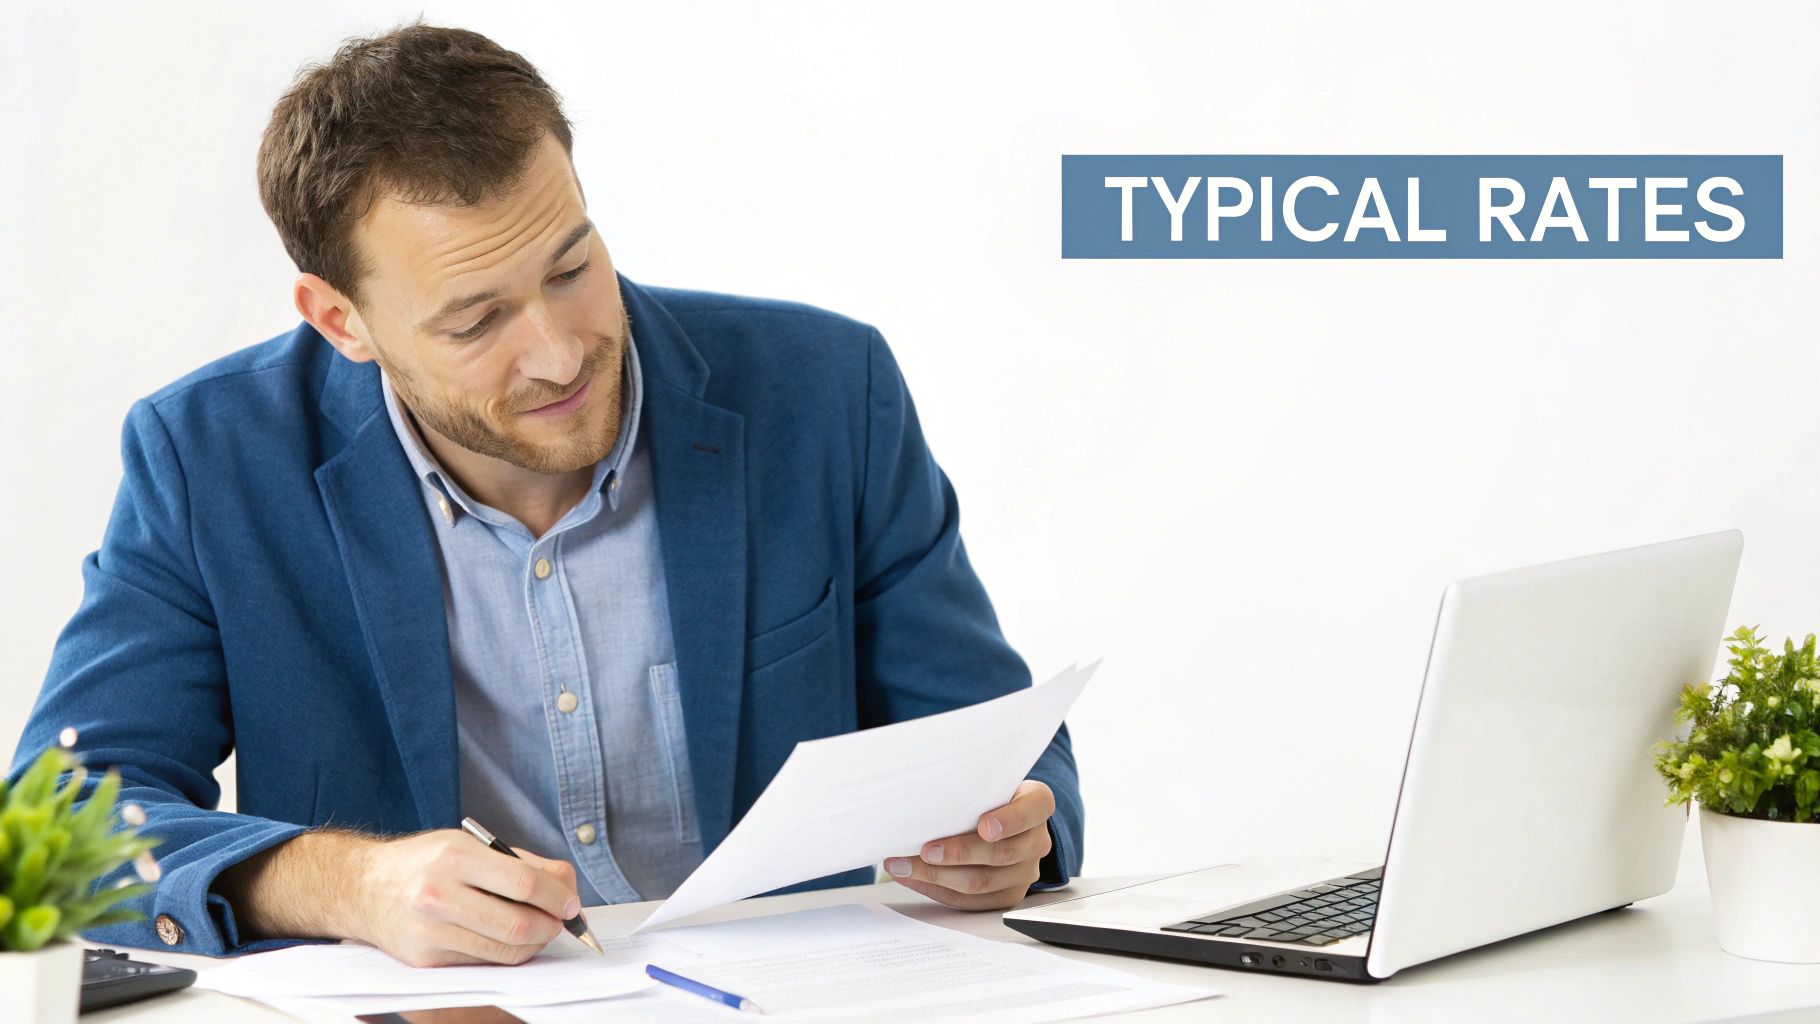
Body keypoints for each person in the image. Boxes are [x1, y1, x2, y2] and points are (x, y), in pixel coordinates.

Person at [9, 21, 1082, 966]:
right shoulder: (211, 458)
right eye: (476, 321)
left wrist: (1013, 832)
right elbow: (56, 828)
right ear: (341, 321)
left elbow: (1002, 742)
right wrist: (350, 886)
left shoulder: (825, 390)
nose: (561, 354)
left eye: (570, 268)